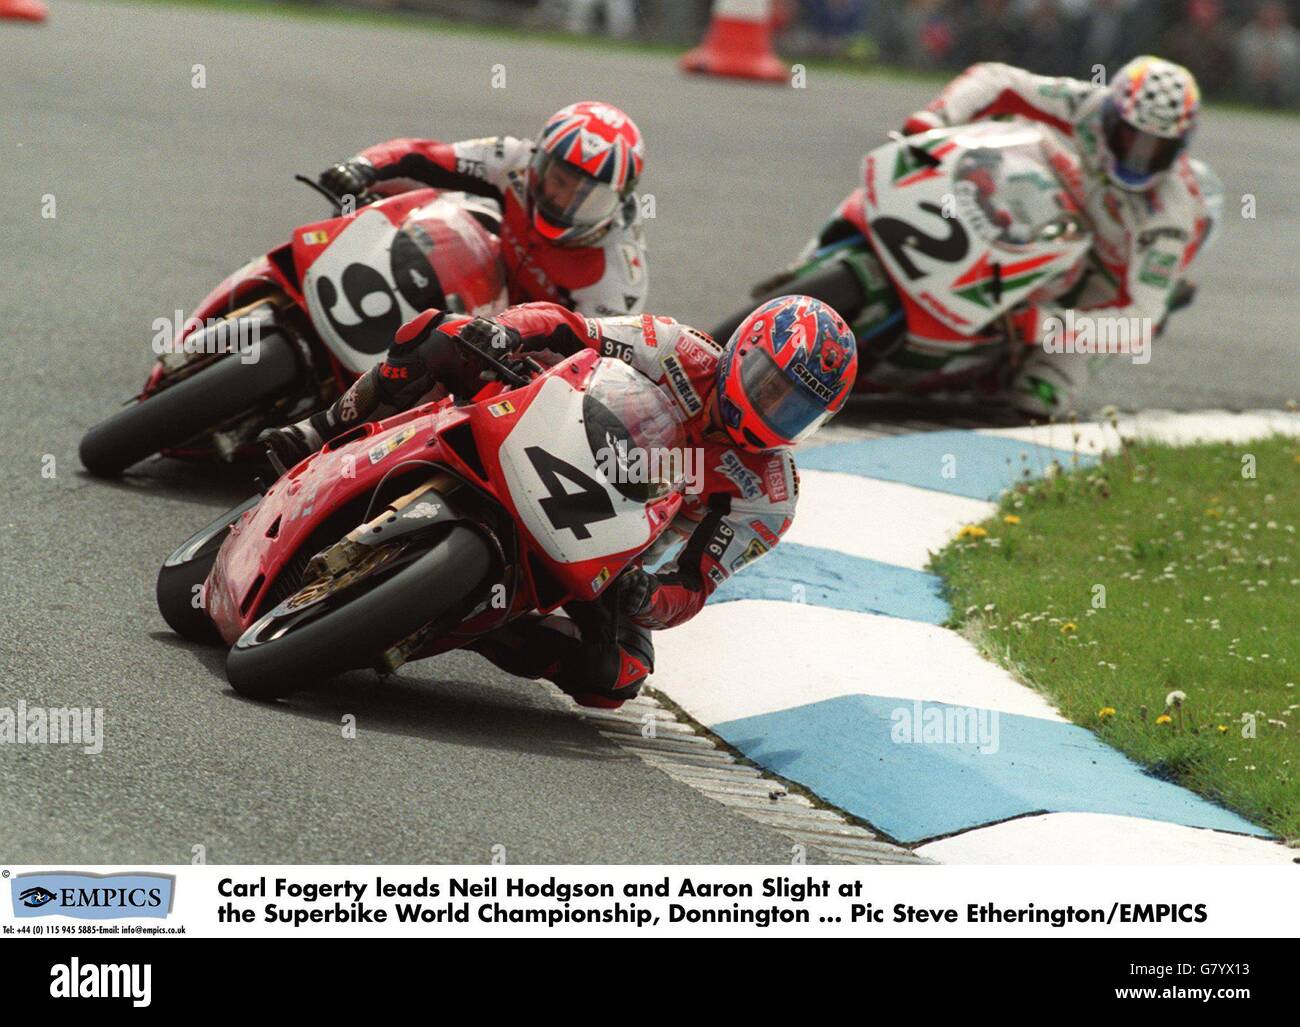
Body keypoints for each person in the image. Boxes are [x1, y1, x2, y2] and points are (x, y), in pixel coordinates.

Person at [262, 296, 857, 709]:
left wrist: (647, 597)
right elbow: (569, 327)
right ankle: (325, 426)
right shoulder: (676, 346)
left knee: (616, 680)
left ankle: (469, 620)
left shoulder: (769, 494)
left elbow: (696, 583)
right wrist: (507, 331)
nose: (774, 411)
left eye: (795, 410)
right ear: (744, 351)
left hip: (608, 553)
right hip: (552, 438)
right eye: (770, 387)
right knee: (439, 332)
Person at [902, 55, 1217, 415]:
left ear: (1179, 146)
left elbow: (1140, 322)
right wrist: (935, 118)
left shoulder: (1171, 211)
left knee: (1038, 397)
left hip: (1107, 285)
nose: (1139, 157)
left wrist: (1047, 326)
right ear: (1112, 115)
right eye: (1132, 136)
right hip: (1044, 217)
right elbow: (1000, 79)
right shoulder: (1088, 106)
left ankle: (991, 366)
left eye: (1155, 146)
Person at [318, 101, 649, 317]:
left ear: (617, 201)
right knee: (392, 192)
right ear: (538, 160)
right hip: (477, 275)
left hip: (515, 352)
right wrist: (362, 167)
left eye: (587, 197)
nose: (563, 202)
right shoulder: (514, 160)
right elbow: (423, 156)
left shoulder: (618, 278)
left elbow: (587, 365)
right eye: (559, 181)